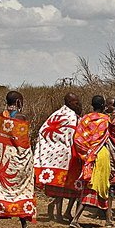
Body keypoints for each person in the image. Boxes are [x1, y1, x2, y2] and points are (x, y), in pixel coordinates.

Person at [0, 91, 36, 228]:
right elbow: (24, 144)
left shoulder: (0, 117)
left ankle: (25, 227)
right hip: (17, 164)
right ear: (19, 102)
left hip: (1, 163)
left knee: (10, 194)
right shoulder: (21, 118)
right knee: (19, 192)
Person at [34, 93, 81, 221]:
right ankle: (59, 213)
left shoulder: (58, 114)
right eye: (76, 102)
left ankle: (66, 212)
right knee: (60, 187)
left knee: (74, 187)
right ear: (69, 103)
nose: (78, 104)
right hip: (64, 156)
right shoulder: (68, 116)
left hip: (66, 155)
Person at [69, 95, 112, 228]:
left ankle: (109, 219)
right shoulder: (106, 120)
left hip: (89, 156)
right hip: (101, 154)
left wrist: (87, 153)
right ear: (104, 106)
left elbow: (77, 139)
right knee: (98, 185)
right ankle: (75, 219)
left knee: (97, 184)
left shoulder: (85, 119)